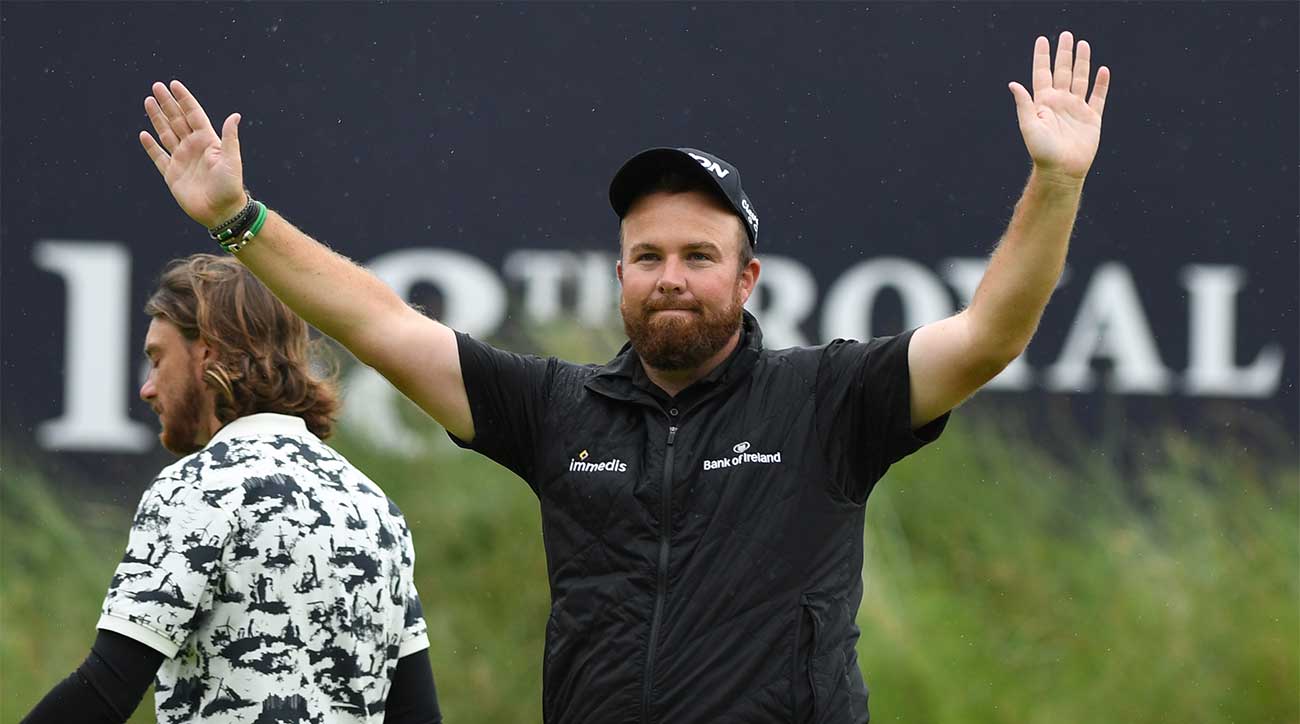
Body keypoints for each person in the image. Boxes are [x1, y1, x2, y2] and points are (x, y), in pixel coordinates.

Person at [133, 30, 1108, 723]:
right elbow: (382, 324)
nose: (671, 278)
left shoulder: (828, 400)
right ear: (620, 275)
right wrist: (239, 220)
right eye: (647, 257)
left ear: (747, 275)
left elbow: (988, 333)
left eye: (697, 254)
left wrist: (1054, 181)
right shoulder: (559, 411)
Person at [22, 255, 442, 724]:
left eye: (158, 359)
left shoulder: (199, 486)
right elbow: (417, 716)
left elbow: (105, 689)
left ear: (207, 352)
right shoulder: (374, 507)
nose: (147, 388)